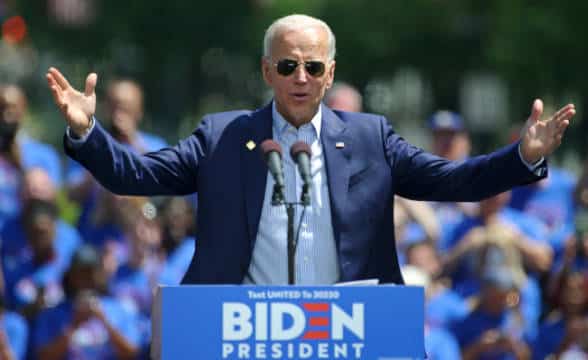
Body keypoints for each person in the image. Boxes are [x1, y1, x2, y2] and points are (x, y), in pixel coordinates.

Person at [46, 14, 575, 285]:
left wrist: (522, 157)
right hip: (241, 335)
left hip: (348, 335)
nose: (300, 77)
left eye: (313, 67)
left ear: (331, 75)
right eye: (287, 66)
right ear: (266, 71)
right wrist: (87, 133)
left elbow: (455, 181)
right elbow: (134, 175)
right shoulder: (223, 137)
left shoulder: (372, 139)